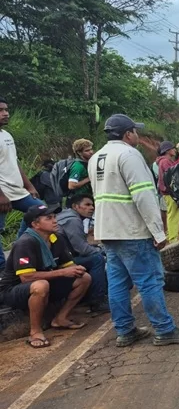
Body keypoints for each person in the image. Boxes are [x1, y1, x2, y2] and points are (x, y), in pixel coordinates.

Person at [89, 114, 179, 347]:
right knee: (150, 280)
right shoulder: (129, 155)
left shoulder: (97, 156)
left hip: (107, 230)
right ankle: (165, 330)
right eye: (135, 131)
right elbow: (144, 196)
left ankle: (125, 330)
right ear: (128, 134)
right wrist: (158, 233)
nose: (137, 135)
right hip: (132, 230)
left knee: (117, 283)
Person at [0, 205, 92, 348]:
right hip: (13, 290)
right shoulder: (26, 242)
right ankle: (35, 332)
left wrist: (76, 269)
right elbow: (26, 277)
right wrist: (62, 272)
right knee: (41, 285)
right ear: (35, 224)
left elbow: (67, 265)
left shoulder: (56, 238)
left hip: (45, 282)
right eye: (49, 218)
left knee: (84, 278)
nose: (55, 221)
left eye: (54, 217)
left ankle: (61, 318)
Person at [0, 97, 46, 270]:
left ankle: (18, 248)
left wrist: (29, 186)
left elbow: (15, 162)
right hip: (1, 193)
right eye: (1, 110)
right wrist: (1, 195)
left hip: (17, 190)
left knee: (39, 211)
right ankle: (3, 270)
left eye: (6, 109)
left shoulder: (6, 135)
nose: (5, 113)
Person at [56, 194, 108, 313]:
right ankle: (97, 301)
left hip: (62, 257)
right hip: (60, 262)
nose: (91, 208)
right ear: (75, 206)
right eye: (87, 204)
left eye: (92, 205)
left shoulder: (66, 216)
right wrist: (102, 252)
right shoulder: (72, 220)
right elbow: (82, 248)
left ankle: (88, 297)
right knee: (97, 259)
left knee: (95, 255)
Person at [155, 141, 179, 242]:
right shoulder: (165, 161)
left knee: (171, 214)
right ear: (168, 150)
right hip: (169, 192)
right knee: (173, 215)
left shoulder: (163, 161)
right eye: (173, 148)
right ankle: (173, 238)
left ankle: (171, 236)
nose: (175, 150)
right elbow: (172, 174)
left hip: (166, 192)